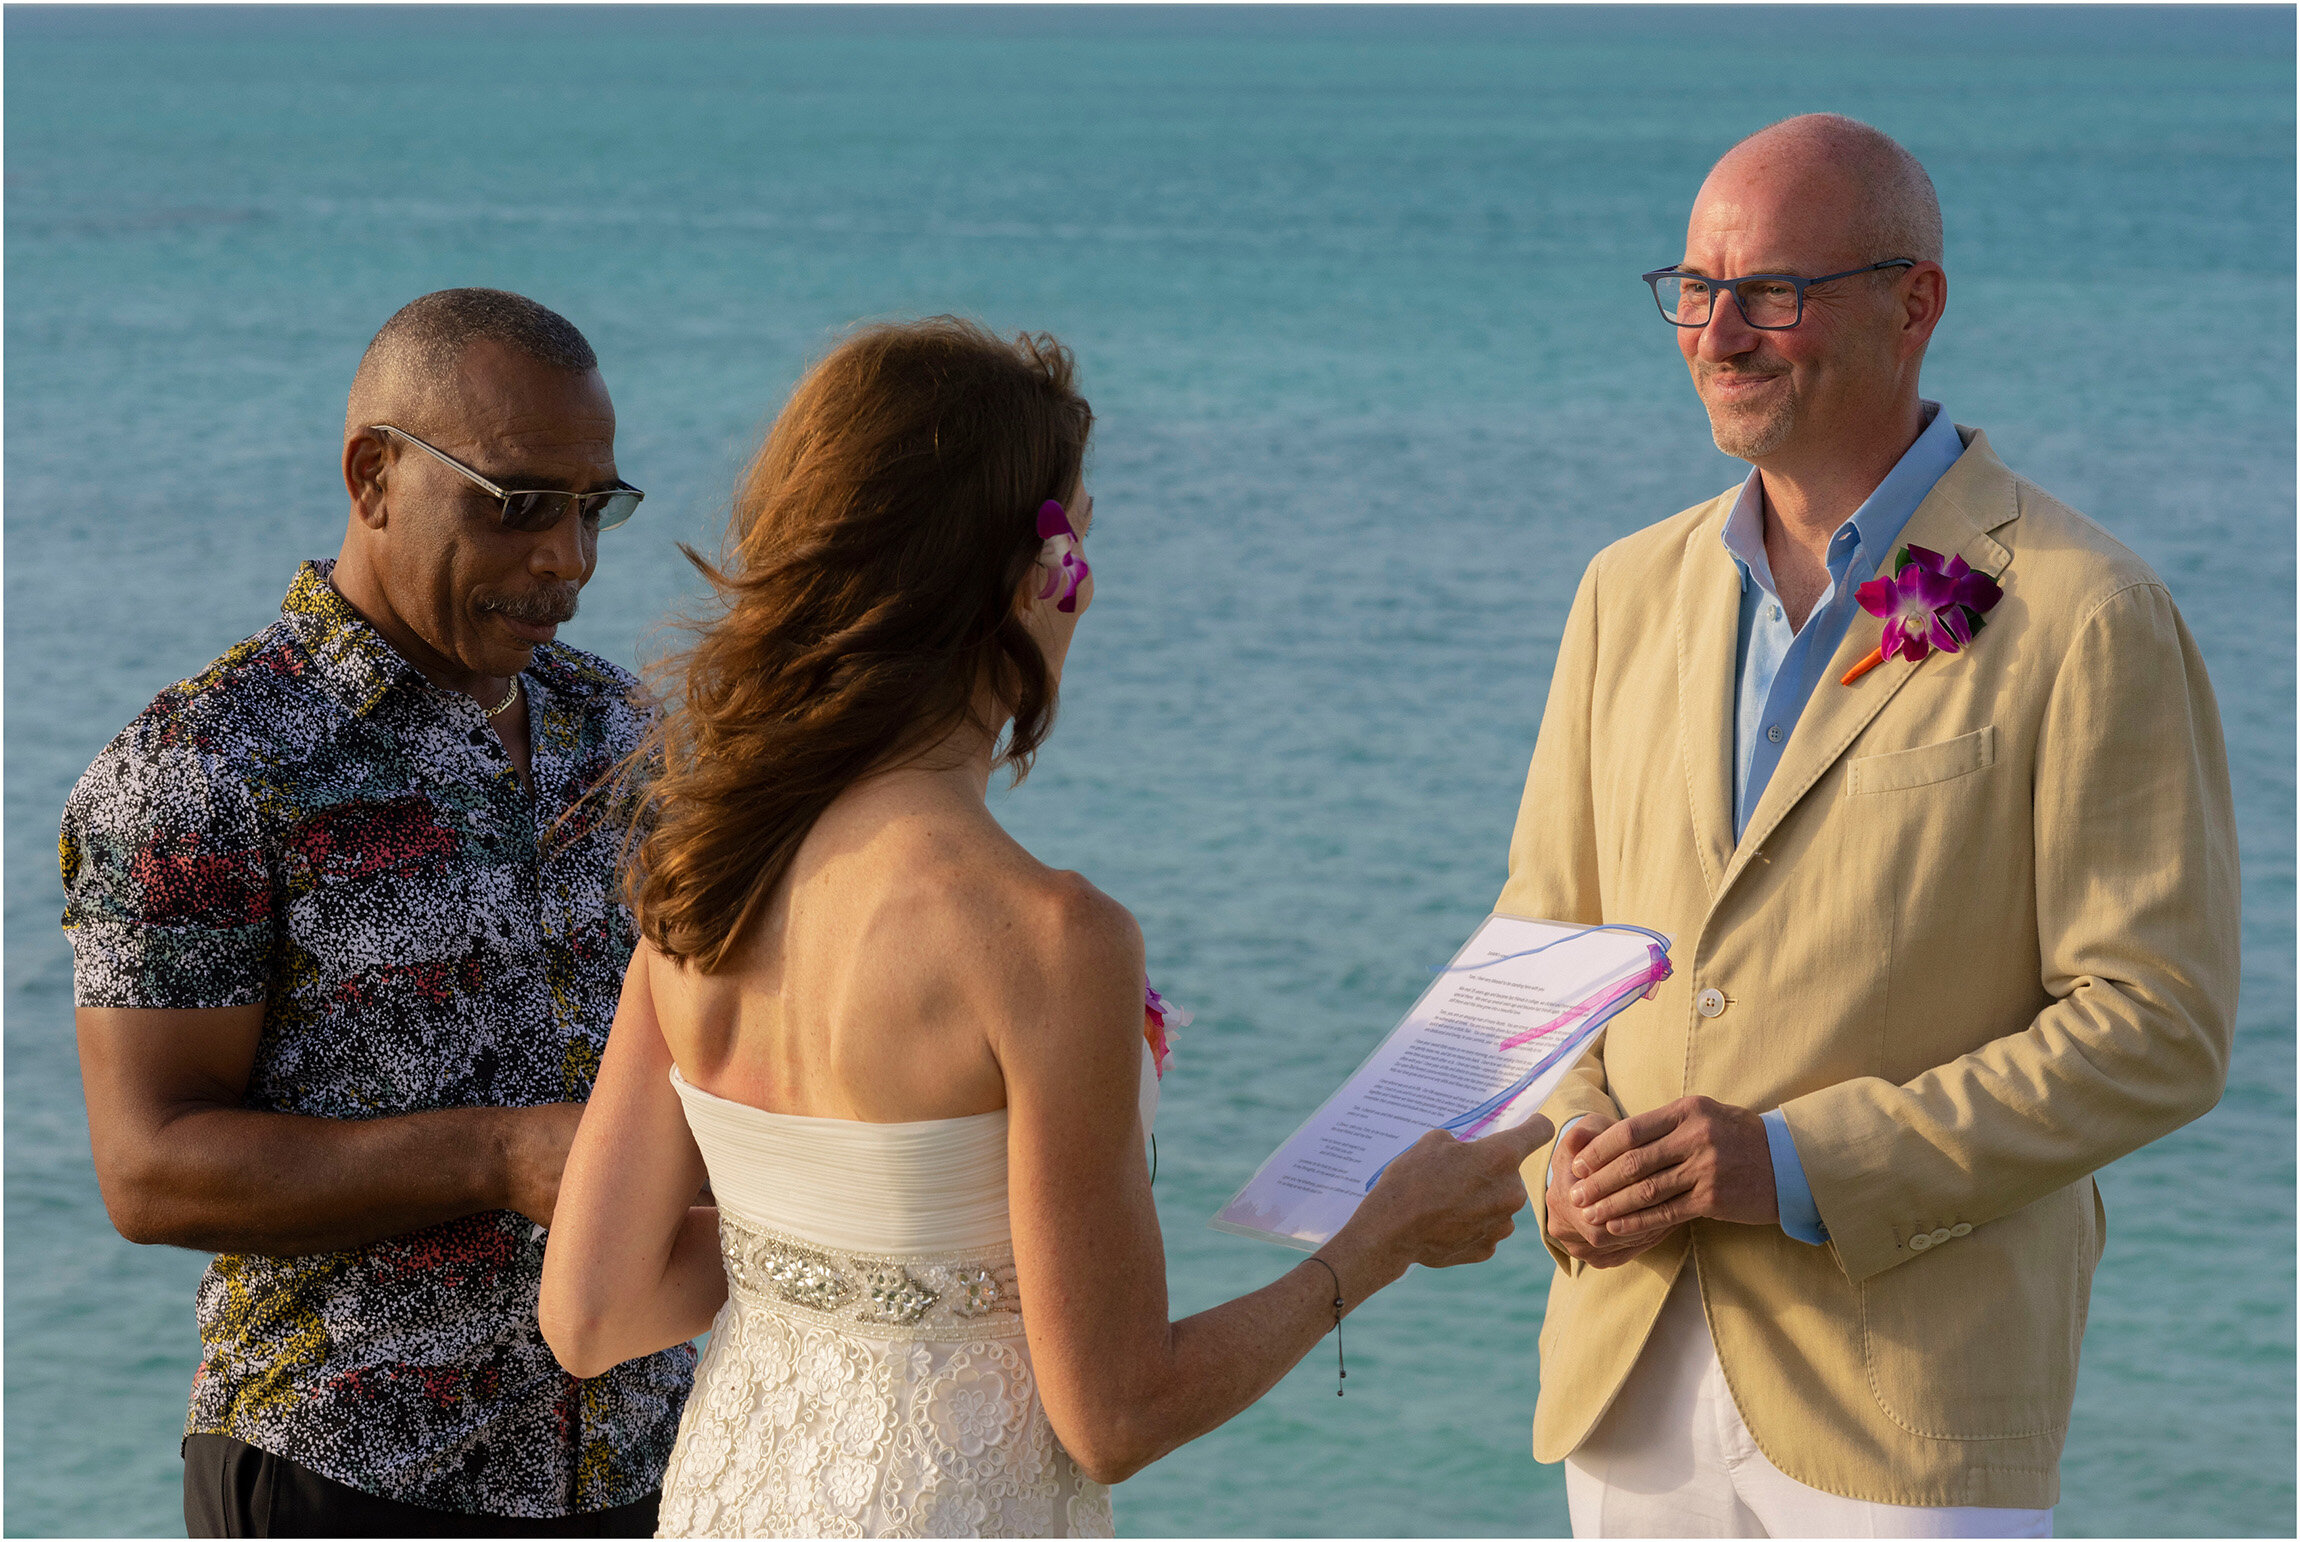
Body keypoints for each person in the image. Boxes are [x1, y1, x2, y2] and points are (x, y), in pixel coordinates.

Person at [536, 317, 1550, 1539]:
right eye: (1080, 540)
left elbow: (588, 1314)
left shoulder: (698, 885)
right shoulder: (1046, 938)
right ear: (1029, 578)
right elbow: (1115, 1412)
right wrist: (1378, 1241)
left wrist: (819, 1250)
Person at [1503, 115, 2238, 1537]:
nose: (1721, 331)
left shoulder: (2089, 612)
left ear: (1916, 304)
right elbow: (1545, 945)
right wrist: (1564, 1167)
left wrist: (1796, 1165)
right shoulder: (1622, 591)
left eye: (1775, 291)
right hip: (1629, 1378)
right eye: (1697, 288)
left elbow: (2158, 1024)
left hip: (1912, 1408)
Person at [63, 289, 693, 1537]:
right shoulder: (200, 767)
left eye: (591, 507)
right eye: (518, 505)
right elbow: (149, 1168)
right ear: (374, 477)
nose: (568, 557)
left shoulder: (631, 740)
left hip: (647, 1466)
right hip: (342, 1475)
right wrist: (500, 1157)